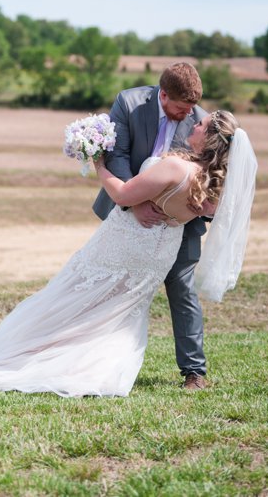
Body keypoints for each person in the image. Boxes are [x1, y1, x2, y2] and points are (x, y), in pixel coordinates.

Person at [0, 109, 256, 397]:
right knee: (115, 311)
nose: (196, 123)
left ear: (211, 138)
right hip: (157, 254)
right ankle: (97, 364)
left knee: (75, 293)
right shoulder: (211, 186)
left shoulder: (175, 168)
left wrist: (97, 160)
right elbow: (194, 214)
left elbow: (121, 193)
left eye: (202, 124)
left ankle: (40, 354)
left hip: (127, 241)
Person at [93, 62, 212, 390]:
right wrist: (134, 202)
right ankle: (97, 360)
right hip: (129, 214)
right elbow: (117, 155)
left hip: (180, 224)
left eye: (190, 109)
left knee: (183, 288)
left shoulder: (203, 121)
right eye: (179, 108)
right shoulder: (129, 103)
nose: (186, 115)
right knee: (113, 287)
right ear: (162, 95)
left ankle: (194, 371)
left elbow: (210, 170)